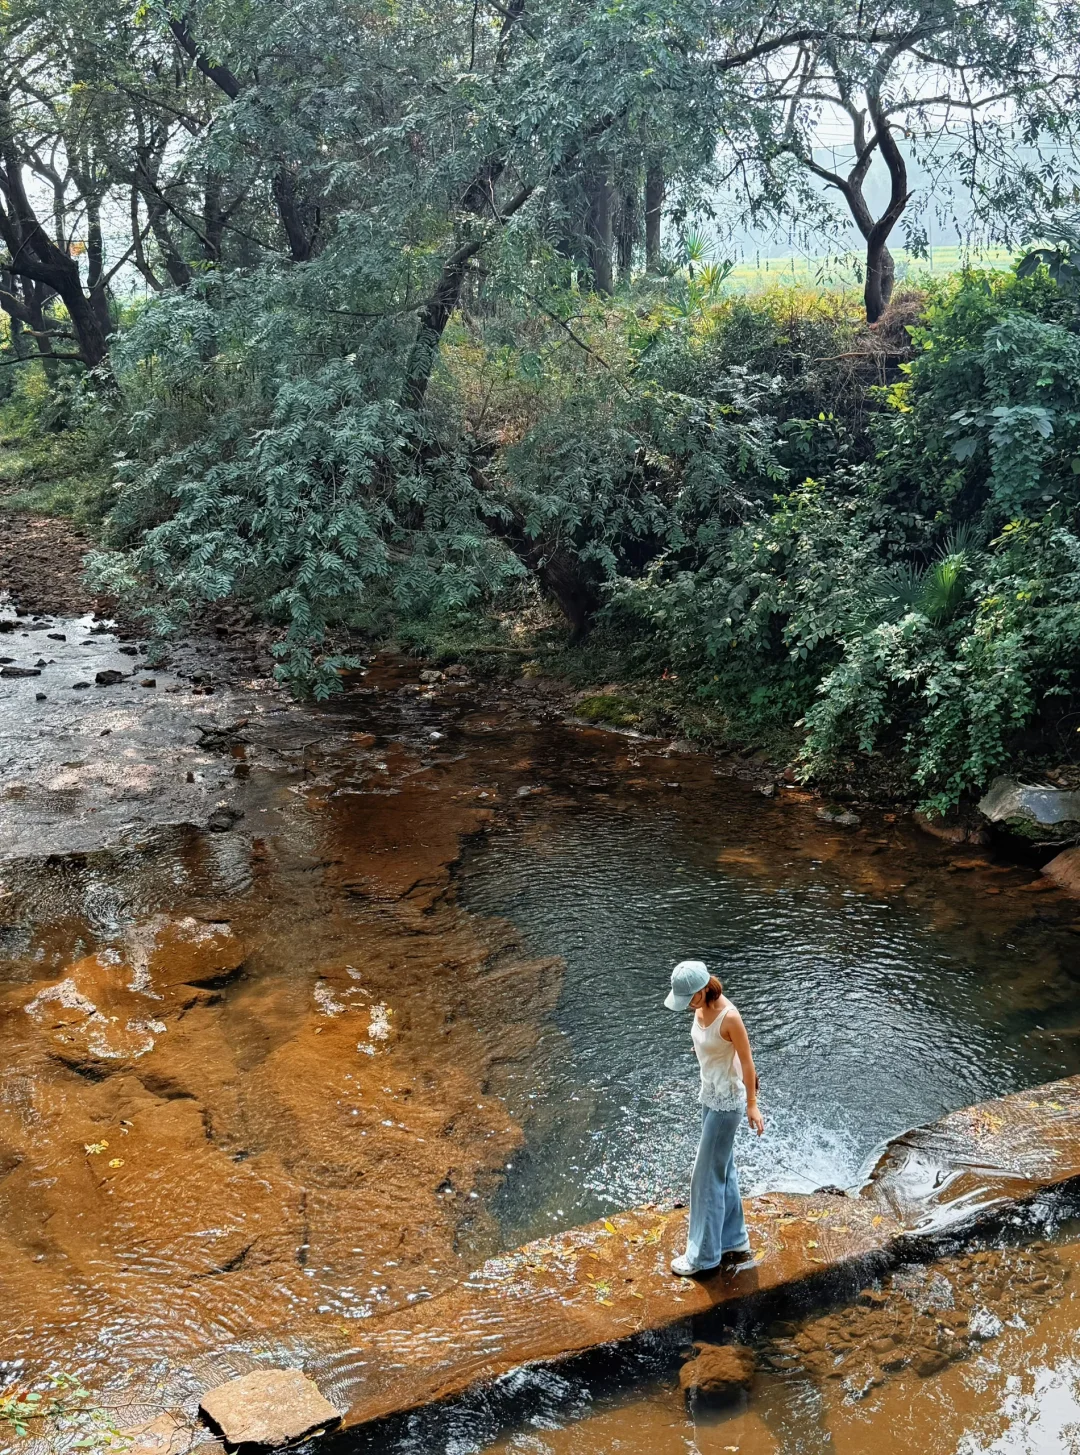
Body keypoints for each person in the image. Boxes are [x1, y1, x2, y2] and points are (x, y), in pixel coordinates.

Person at [664, 959, 764, 1276]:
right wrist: (703, 1051)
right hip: (710, 1095)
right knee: (723, 1170)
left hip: (727, 1104)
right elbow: (709, 1042)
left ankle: (703, 1258)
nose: (687, 1006)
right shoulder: (700, 1007)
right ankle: (733, 1240)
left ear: (703, 989)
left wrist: (752, 1105)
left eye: (689, 998)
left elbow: (747, 1064)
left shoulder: (730, 1017)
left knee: (704, 1177)